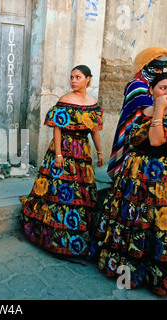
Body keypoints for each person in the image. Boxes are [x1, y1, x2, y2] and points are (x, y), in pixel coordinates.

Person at [95, 72, 167, 296]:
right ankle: (125, 270)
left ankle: (153, 276)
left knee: (154, 224)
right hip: (134, 174)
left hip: (159, 180)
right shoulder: (144, 112)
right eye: (163, 88)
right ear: (151, 90)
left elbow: (155, 141)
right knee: (131, 220)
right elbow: (133, 140)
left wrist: (160, 109)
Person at [19, 65, 104, 257]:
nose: (73, 81)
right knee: (58, 191)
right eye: (72, 77)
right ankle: (53, 238)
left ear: (88, 80)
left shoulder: (92, 102)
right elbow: (57, 128)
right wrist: (58, 155)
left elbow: (95, 131)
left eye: (78, 77)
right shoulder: (65, 100)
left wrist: (99, 151)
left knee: (80, 193)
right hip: (63, 149)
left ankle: (76, 238)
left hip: (82, 152)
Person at [107, 46, 167, 179]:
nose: (159, 72)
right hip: (141, 145)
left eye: (161, 68)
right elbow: (141, 120)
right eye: (156, 67)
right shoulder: (138, 86)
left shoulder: (162, 86)